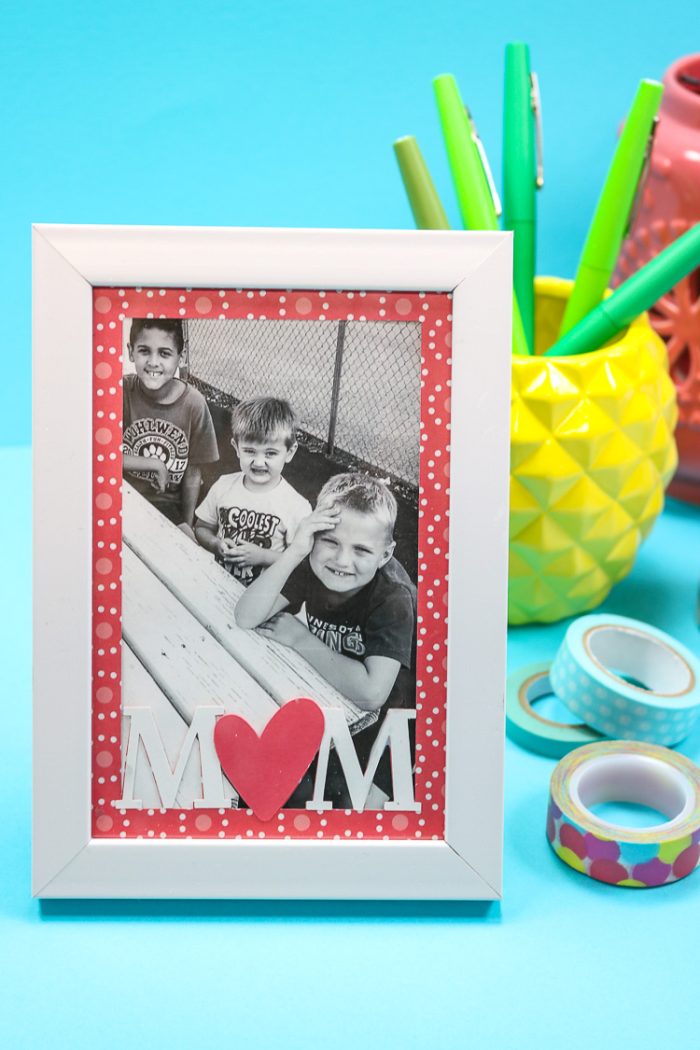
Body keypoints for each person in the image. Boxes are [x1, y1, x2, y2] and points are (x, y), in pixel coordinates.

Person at [235, 472, 416, 807]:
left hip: (400, 720)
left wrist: (301, 638)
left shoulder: (393, 598)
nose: (341, 560)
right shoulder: (312, 564)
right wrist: (294, 551)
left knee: (357, 813)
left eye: (361, 549)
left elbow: (373, 693)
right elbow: (246, 616)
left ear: (385, 555)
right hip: (339, 698)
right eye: (330, 541)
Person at [195, 397, 312, 584]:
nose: (258, 462)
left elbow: (302, 563)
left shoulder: (297, 506)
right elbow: (202, 528)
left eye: (270, 453)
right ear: (236, 447)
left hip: (262, 597)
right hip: (216, 582)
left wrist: (263, 556)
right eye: (250, 451)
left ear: (289, 452)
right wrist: (216, 544)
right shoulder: (224, 486)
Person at [122, 318, 218, 535]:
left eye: (165, 353)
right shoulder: (121, 391)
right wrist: (154, 464)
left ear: (181, 357)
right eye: (144, 351)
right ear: (130, 352)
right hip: (123, 495)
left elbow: (193, 473)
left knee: (189, 550)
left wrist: (187, 523)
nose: (153, 362)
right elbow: (100, 456)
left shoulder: (194, 403)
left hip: (165, 507)